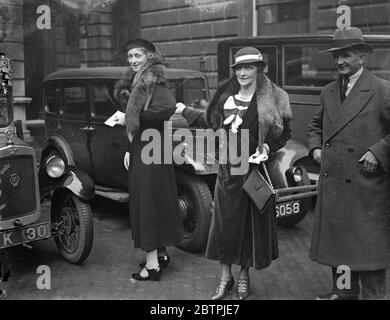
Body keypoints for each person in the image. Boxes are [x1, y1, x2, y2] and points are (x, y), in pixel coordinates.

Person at [176, 47, 292, 299]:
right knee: (225, 227)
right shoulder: (225, 98)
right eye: (239, 68)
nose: (242, 72)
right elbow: (209, 122)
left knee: (249, 229)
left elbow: (284, 134)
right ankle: (224, 278)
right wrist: (184, 109)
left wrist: (267, 147)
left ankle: (243, 276)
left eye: (248, 67)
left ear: (259, 69)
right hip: (228, 172)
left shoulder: (274, 98)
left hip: (254, 173)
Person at [308, 27, 390, 300]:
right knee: (339, 246)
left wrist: (378, 152)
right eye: (337, 56)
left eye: (346, 55)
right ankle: (342, 294)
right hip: (335, 184)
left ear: (362, 57)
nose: (340, 61)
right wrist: (316, 147)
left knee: (368, 253)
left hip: (365, 187)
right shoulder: (328, 91)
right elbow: (315, 126)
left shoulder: (380, 89)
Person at [111, 38, 184, 281]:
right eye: (130, 56)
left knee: (147, 203)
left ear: (150, 57)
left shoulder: (152, 79)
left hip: (151, 150)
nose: (133, 60)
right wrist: (131, 148)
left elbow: (167, 108)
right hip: (150, 146)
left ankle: (152, 266)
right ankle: (160, 254)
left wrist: (129, 119)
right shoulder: (143, 79)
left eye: (137, 56)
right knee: (157, 199)